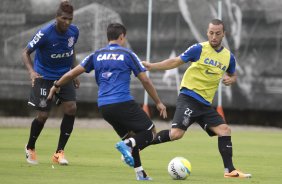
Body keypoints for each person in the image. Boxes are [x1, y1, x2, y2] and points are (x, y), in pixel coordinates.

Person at [47, 23, 167, 180]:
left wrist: (56, 85)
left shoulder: (96, 55)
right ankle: (127, 147)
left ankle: (140, 173)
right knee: (150, 133)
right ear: (122, 37)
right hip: (123, 102)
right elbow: (145, 80)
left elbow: (71, 74)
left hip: (104, 107)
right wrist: (158, 102)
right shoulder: (128, 54)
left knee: (131, 137)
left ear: (107, 37)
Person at [142, 19, 252, 178]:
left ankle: (230, 170)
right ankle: (139, 144)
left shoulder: (229, 57)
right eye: (211, 33)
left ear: (223, 34)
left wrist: (231, 80)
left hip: (205, 104)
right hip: (189, 97)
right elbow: (175, 62)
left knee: (224, 130)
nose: (214, 36)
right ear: (207, 33)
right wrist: (152, 66)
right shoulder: (199, 49)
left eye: (218, 33)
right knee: (176, 134)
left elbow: (233, 74)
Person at [22, 1, 79, 165]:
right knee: (43, 115)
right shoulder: (45, 33)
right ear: (57, 17)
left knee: (71, 108)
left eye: (70, 19)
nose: (67, 22)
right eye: (64, 18)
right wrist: (32, 72)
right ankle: (30, 147)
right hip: (44, 77)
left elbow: (71, 49)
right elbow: (25, 52)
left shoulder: (74, 31)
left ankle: (59, 153)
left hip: (64, 76)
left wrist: (74, 72)